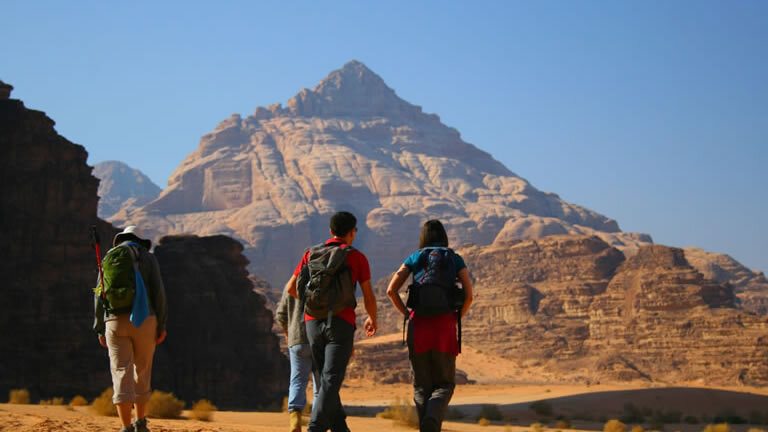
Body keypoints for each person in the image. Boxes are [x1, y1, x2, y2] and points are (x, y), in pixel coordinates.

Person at [286, 211, 377, 432]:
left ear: (330, 231)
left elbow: (291, 288)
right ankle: (315, 428)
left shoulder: (310, 254)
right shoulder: (357, 257)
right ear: (351, 232)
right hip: (341, 323)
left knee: (325, 378)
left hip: (312, 323)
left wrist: (314, 304)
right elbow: (368, 294)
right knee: (331, 379)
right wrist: (372, 318)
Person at [385, 220, 473, 432]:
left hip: (419, 326)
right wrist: (454, 317)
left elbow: (391, 290)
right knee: (444, 384)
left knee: (421, 386)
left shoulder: (415, 258)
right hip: (445, 327)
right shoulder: (454, 258)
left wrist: (407, 313)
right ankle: (432, 421)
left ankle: (427, 424)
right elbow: (469, 297)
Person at [93, 226, 168, 432]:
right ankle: (140, 423)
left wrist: (100, 327)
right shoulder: (148, 258)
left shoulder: (109, 258)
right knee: (142, 371)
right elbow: (158, 293)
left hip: (114, 321)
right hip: (145, 319)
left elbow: (99, 295)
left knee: (120, 372)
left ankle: (125, 427)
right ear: (139, 239)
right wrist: (161, 324)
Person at [277, 286, 317, 432]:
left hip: (297, 340)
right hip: (318, 341)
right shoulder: (321, 280)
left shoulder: (291, 285)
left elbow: (281, 315)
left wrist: (288, 333)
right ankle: (316, 425)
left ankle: (295, 422)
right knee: (319, 386)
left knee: (297, 381)